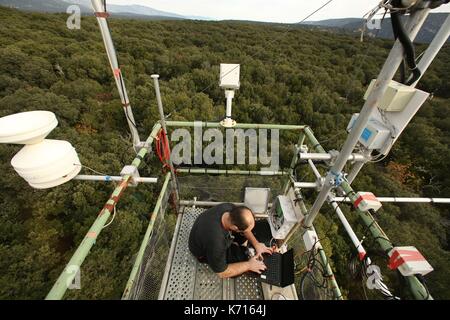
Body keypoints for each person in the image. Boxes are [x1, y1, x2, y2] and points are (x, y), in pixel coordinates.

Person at [188, 203, 274, 279]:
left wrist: (256, 244)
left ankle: (240, 244)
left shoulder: (229, 208)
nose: (248, 232)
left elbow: (246, 230)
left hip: (205, 230)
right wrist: (249, 265)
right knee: (240, 260)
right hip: (202, 252)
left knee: (247, 232)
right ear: (234, 228)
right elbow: (222, 273)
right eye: (244, 231)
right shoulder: (217, 242)